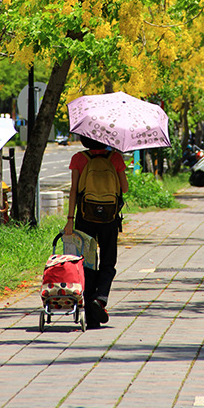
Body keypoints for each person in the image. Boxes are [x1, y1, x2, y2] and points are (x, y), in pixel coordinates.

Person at [64, 136, 128, 329]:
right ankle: (100, 299)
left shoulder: (79, 158)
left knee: (88, 263)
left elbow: (74, 190)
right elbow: (124, 188)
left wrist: (70, 220)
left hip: (85, 217)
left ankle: (91, 316)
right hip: (109, 218)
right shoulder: (115, 158)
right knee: (109, 261)